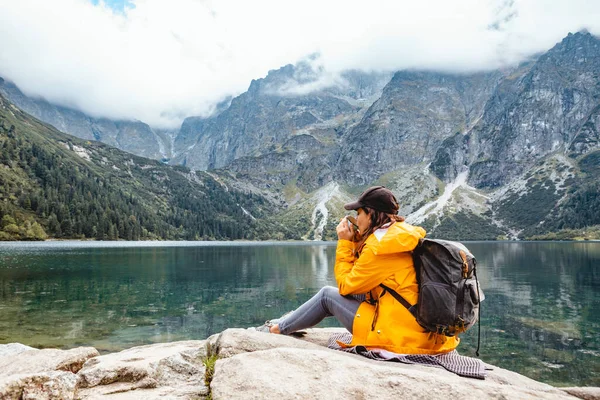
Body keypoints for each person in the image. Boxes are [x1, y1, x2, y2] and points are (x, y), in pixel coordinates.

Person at [254, 186, 459, 355]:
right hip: (418, 328)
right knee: (349, 294)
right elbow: (365, 280)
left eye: (358, 213)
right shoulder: (399, 236)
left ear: (371, 214)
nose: (356, 218)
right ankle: (292, 320)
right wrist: (357, 243)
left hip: (399, 334)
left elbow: (345, 287)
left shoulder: (380, 247)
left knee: (327, 295)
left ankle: (277, 328)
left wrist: (345, 243)